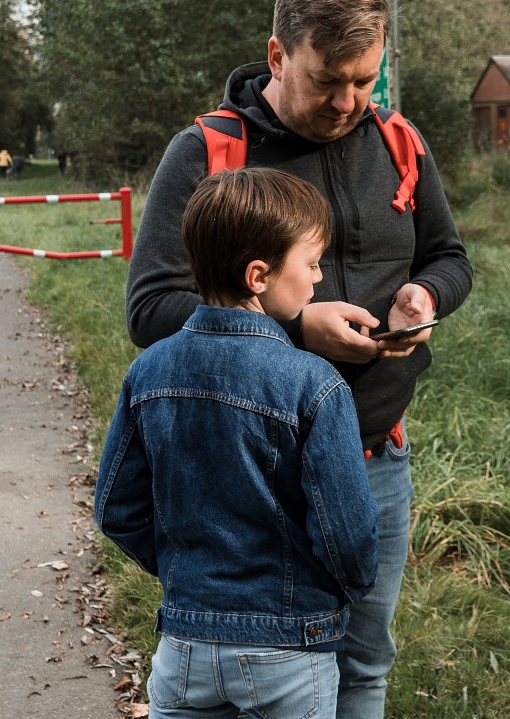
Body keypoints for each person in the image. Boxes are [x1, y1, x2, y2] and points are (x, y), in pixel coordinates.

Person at [126, 0, 473, 718]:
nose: (350, 100)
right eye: (328, 80)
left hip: (373, 455)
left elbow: (449, 256)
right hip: (245, 470)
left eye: (366, 79)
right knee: (258, 663)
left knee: (363, 663)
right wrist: (295, 327)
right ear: (280, 56)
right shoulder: (210, 156)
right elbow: (150, 309)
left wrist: (424, 294)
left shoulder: (399, 143)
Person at [97, 168, 379, 719]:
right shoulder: (314, 383)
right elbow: (347, 536)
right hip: (290, 652)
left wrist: (189, 573)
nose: (319, 279)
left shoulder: (148, 371)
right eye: (312, 263)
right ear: (258, 275)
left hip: (184, 649)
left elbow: (117, 511)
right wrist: (341, 593)